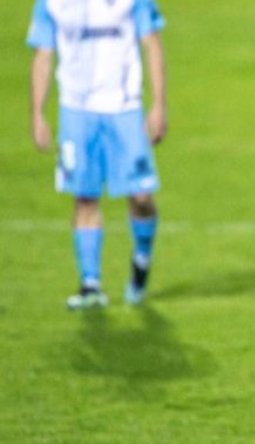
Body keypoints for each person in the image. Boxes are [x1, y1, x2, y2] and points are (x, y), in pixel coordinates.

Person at [27, 0, 167, 309]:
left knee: (141, 196)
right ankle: (90, 285)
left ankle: (142, 257)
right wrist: (37, 113)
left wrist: (158, 104)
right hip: (76, 109)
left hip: (124, 106)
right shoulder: (51, 3)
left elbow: (151, 43)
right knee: (84, 196)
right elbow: (43, 54)